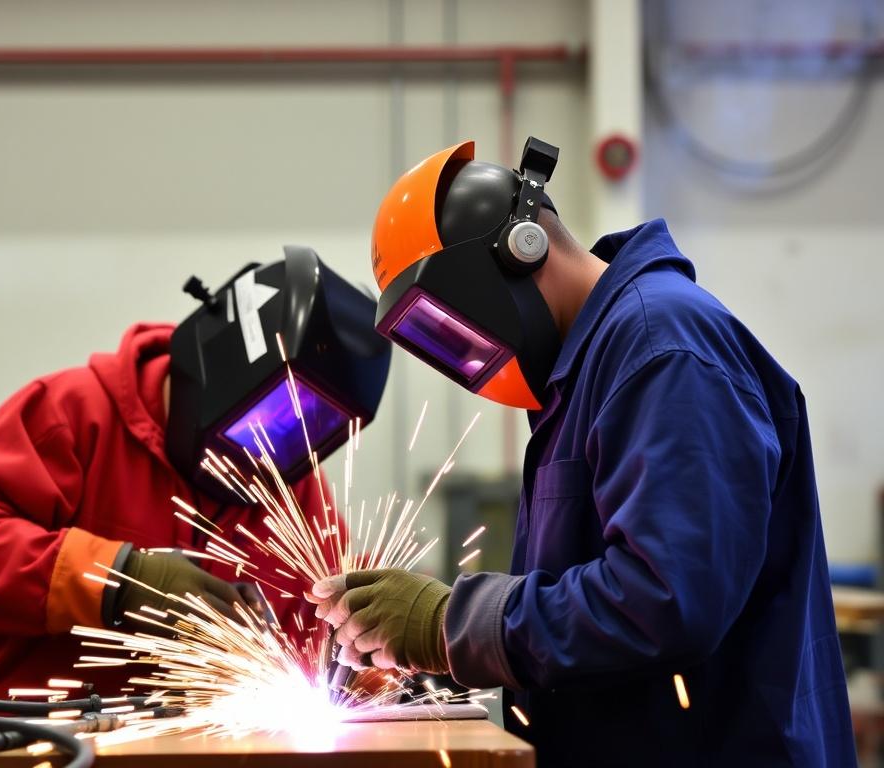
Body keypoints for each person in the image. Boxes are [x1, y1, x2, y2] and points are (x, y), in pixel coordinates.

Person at [307, 139, 856, 766]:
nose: (467, 355)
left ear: (522, 251)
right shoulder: (589, 369)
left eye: (455, 323)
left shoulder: (661, 350)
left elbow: (665, 601)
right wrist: (439, 660)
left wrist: (448, 625)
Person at [0, 246, 390, 700]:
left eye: (310, 427)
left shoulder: (290, 485)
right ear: (225, 369)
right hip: (17, 744)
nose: (275, 444)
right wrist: (118, 579)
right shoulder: (73, 416)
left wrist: (376, 654)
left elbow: (324, 629)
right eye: (277, 412)